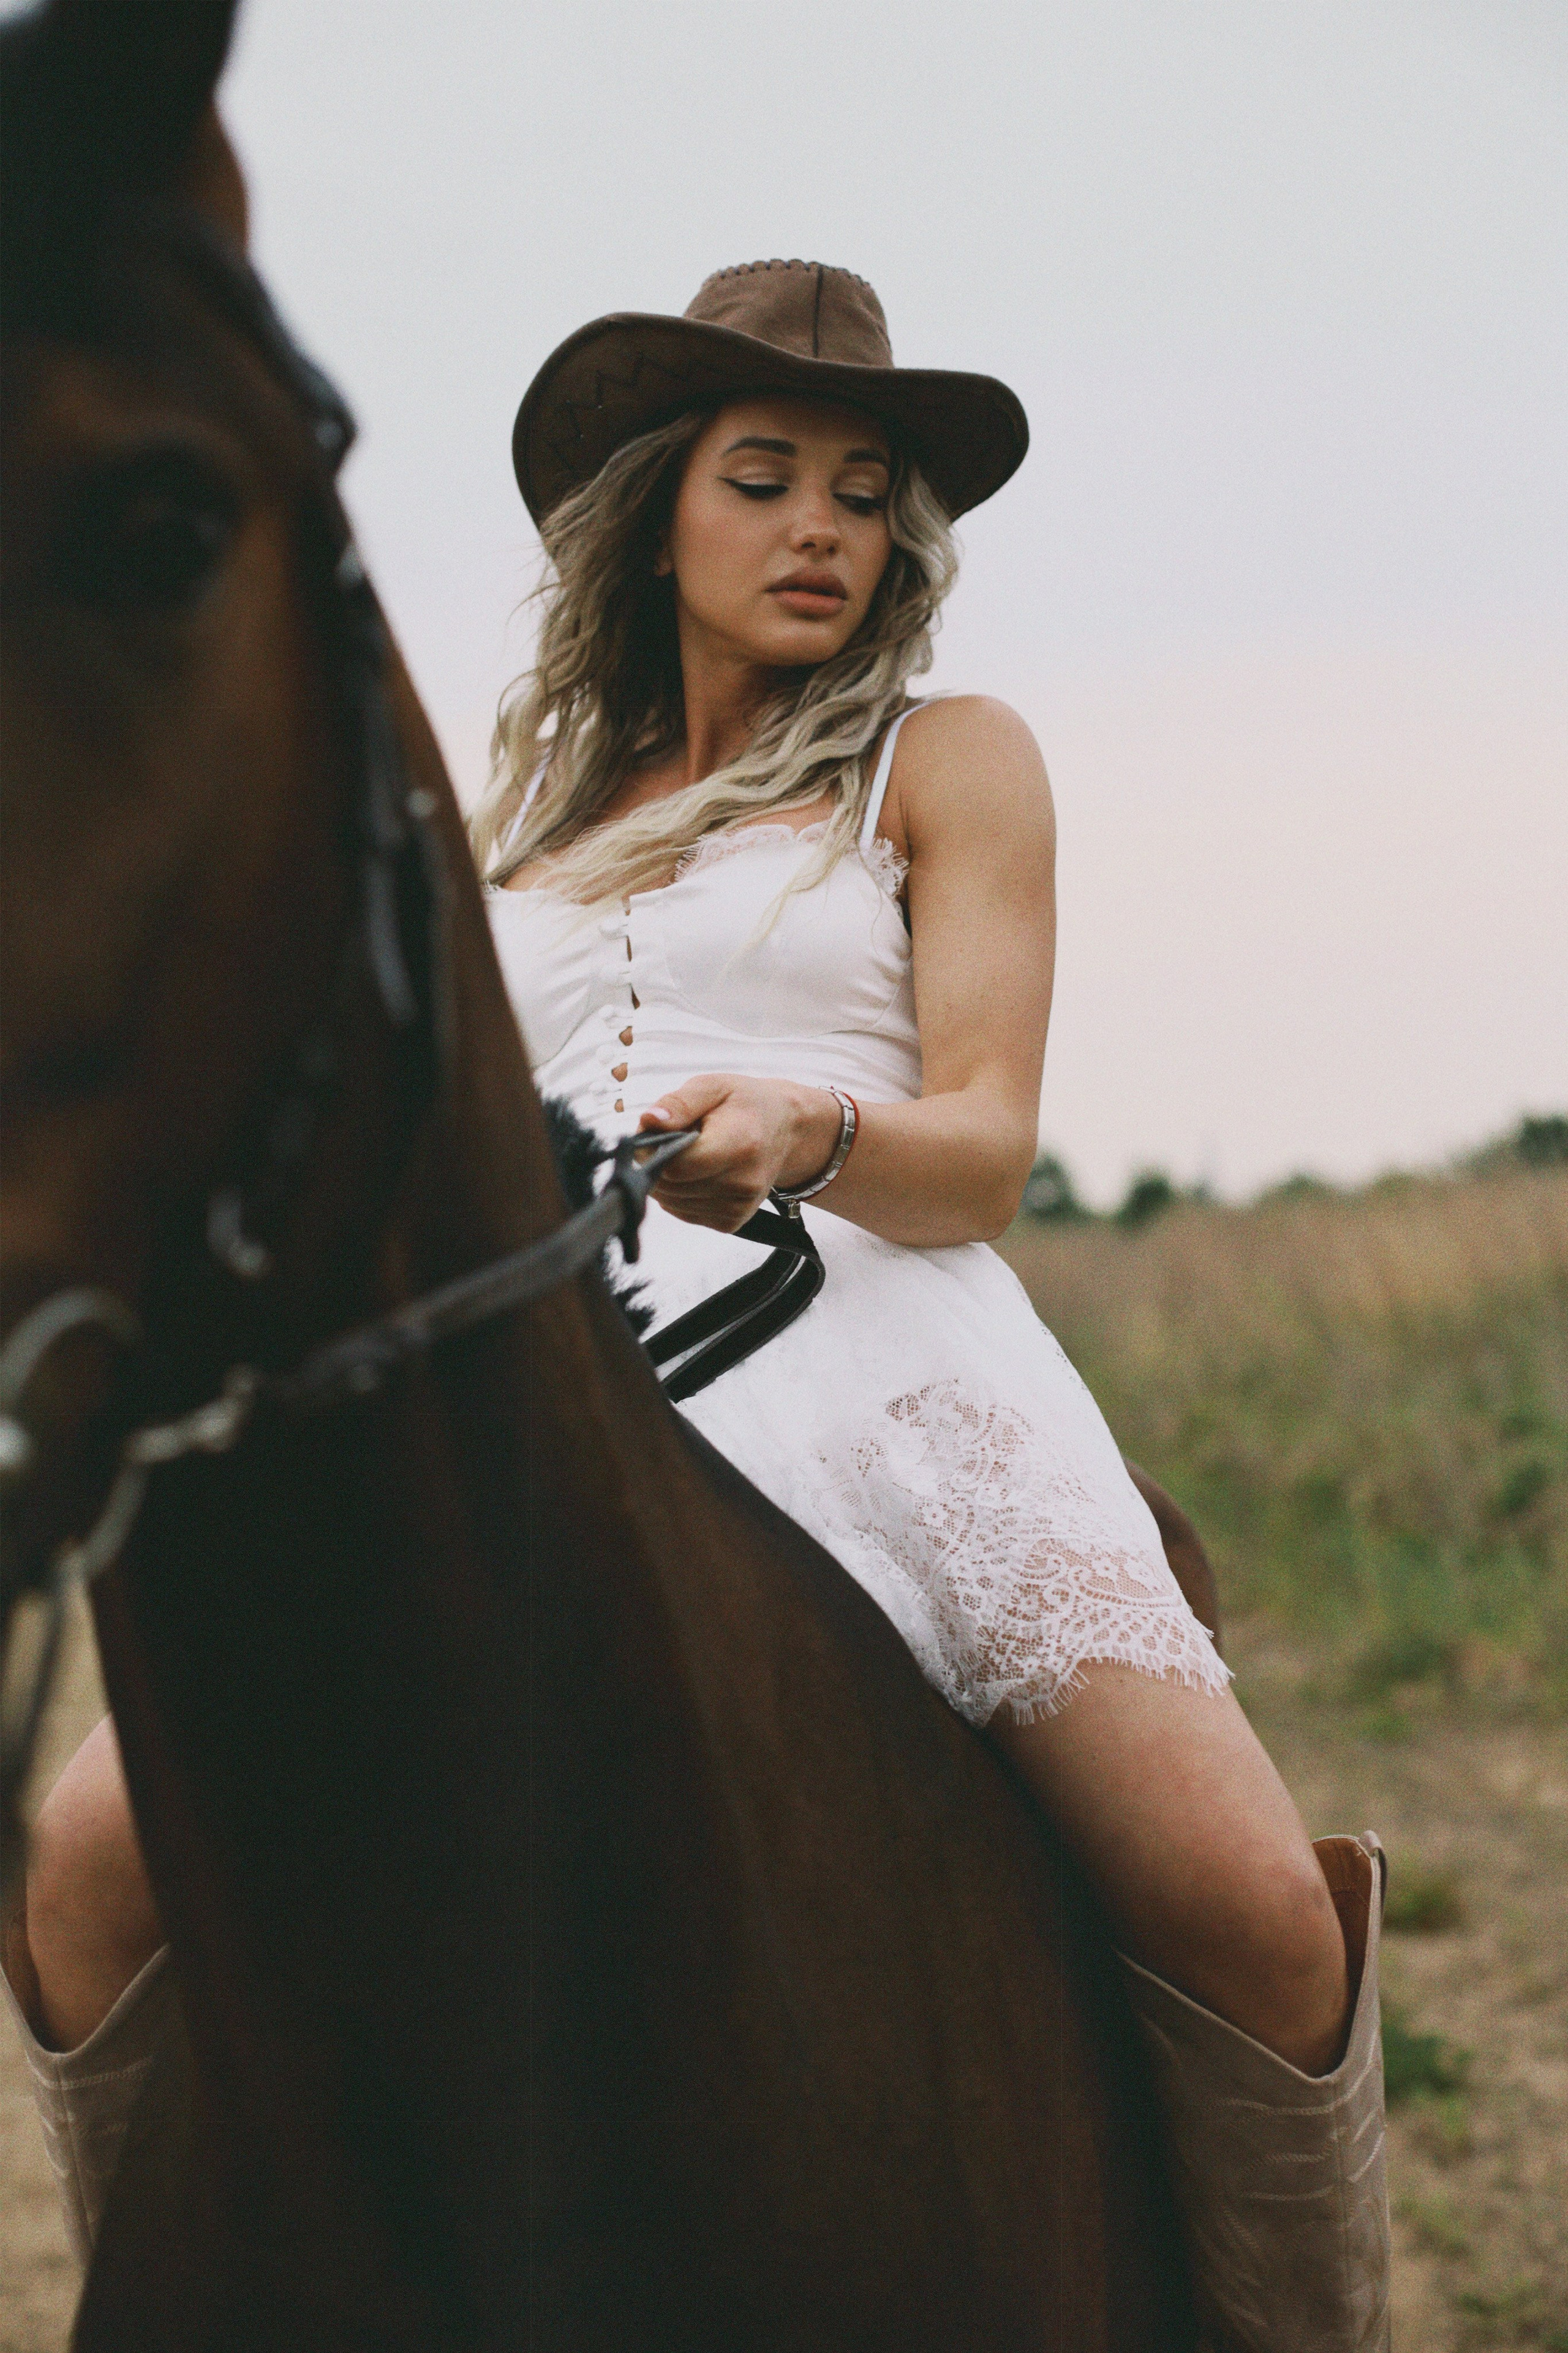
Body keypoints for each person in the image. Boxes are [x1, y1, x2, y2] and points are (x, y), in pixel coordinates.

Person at [6, 260, 1389, 2350]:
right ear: (664, 513)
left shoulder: (948, 757)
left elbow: (992, 1140)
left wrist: (809, 1131)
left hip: (891, 1364)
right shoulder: (529, 823)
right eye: (768, 478)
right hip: (545, 1375)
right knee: (84, 1868)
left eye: (864, 491)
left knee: (1257, 1911)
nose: (826, 526)